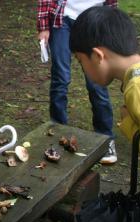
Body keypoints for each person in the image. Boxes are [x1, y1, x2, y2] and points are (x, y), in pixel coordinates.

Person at [70, 6, 140, 197]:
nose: (82, 68)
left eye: (80, 61)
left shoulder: (139, 89)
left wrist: (129, 125)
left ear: (98, 56)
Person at [36, 0, 118, 164]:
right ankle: (58, 132)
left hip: (94, 20)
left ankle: (106, 139)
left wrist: (110, 25)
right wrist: (44, 27)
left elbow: (111, 4)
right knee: (61, 78)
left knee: (96, 83)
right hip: (63, 18)